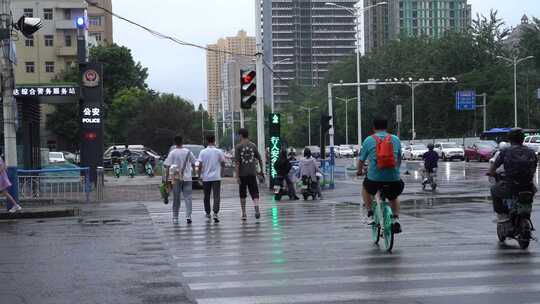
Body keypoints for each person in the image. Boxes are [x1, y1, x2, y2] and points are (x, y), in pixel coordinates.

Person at [357, 117, 404, 233]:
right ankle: (396, 219)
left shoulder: (368, 140)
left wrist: (359, 171)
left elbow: (361, 160)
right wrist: (396, 171)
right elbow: (399, 159)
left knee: (365, 189)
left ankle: (370, 214)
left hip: (374, 179)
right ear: (386, 127)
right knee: (394, 196)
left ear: (374, 128)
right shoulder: (395, 139)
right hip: (394, 179)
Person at [488, 128, 537, 221]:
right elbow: (534, 168)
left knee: (494, 189)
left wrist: (491, 173)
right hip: (529, 186)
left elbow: (494, 167)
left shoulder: (505, 151)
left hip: (511, 186)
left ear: (509, 139)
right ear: (522, 139)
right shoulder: (531, 152)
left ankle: (502, 214)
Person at [164, 135, 196, 224]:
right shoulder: (188, 152)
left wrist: (167, 179)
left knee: (176, 198)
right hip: (187, 178)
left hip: (175, 178)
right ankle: (188, 216)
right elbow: (194, 163)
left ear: (175, 143)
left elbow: (167, 166)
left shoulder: (172, 153)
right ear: (182, 142)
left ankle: (175, 217)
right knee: (188, 197)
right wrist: (193, 174)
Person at [235, 128, 264, 221]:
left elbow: (237, 163)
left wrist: (237, 176)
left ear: (241, 135)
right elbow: (259, 158)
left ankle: (244, 213)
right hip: (252, 173)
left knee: (242, 194)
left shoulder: (238, 147)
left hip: (242, 174)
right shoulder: (253, 145)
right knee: (254, 192)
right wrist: (261, 171)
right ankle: (256, 208)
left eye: (239, 135)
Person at [198, 135, 226, 223]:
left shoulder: (203, 152)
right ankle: (215, 213)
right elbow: (223, 163)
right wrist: (221, 172)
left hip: (206, 178)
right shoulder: (219, 151)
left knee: (206, 196)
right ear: (214, 141)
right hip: (216, 177)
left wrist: (199, 176)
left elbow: (200, 165)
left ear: (207, 141)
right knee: (216, 196)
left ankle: (207, 212)